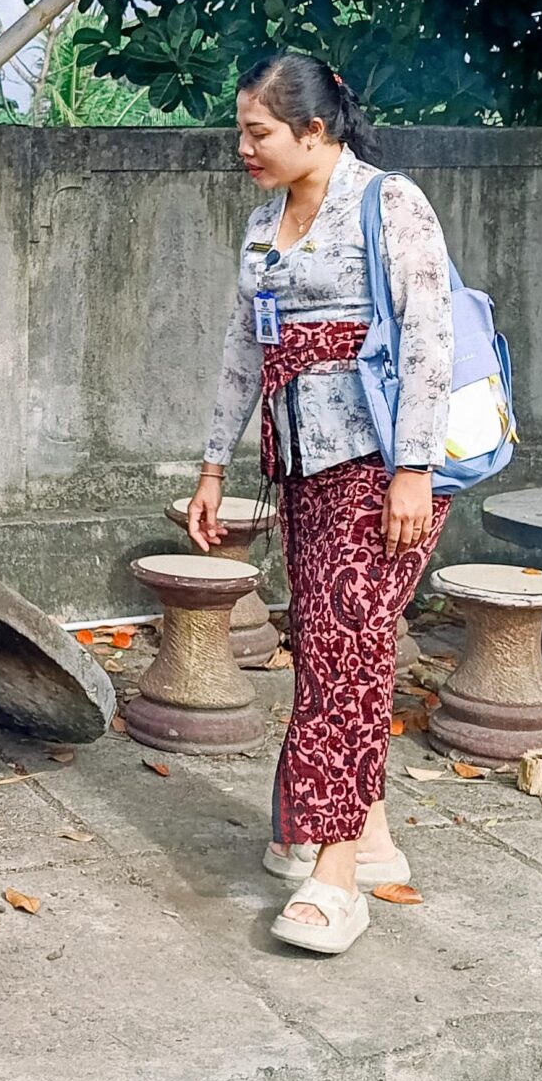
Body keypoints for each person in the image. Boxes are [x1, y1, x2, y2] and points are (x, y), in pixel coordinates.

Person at [188, 53, 455, 957]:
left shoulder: (389, 204)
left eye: (257, 133)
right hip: (297, 464)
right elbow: (242, 347)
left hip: (379, 467)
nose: (243, 149)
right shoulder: (265, 224)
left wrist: (413, 468)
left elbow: (427, 338)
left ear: (314, 130)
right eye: (240, 132)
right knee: (333, 641)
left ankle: (336, 876)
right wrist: (213, 465)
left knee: (347, 645)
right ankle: (367, 832)